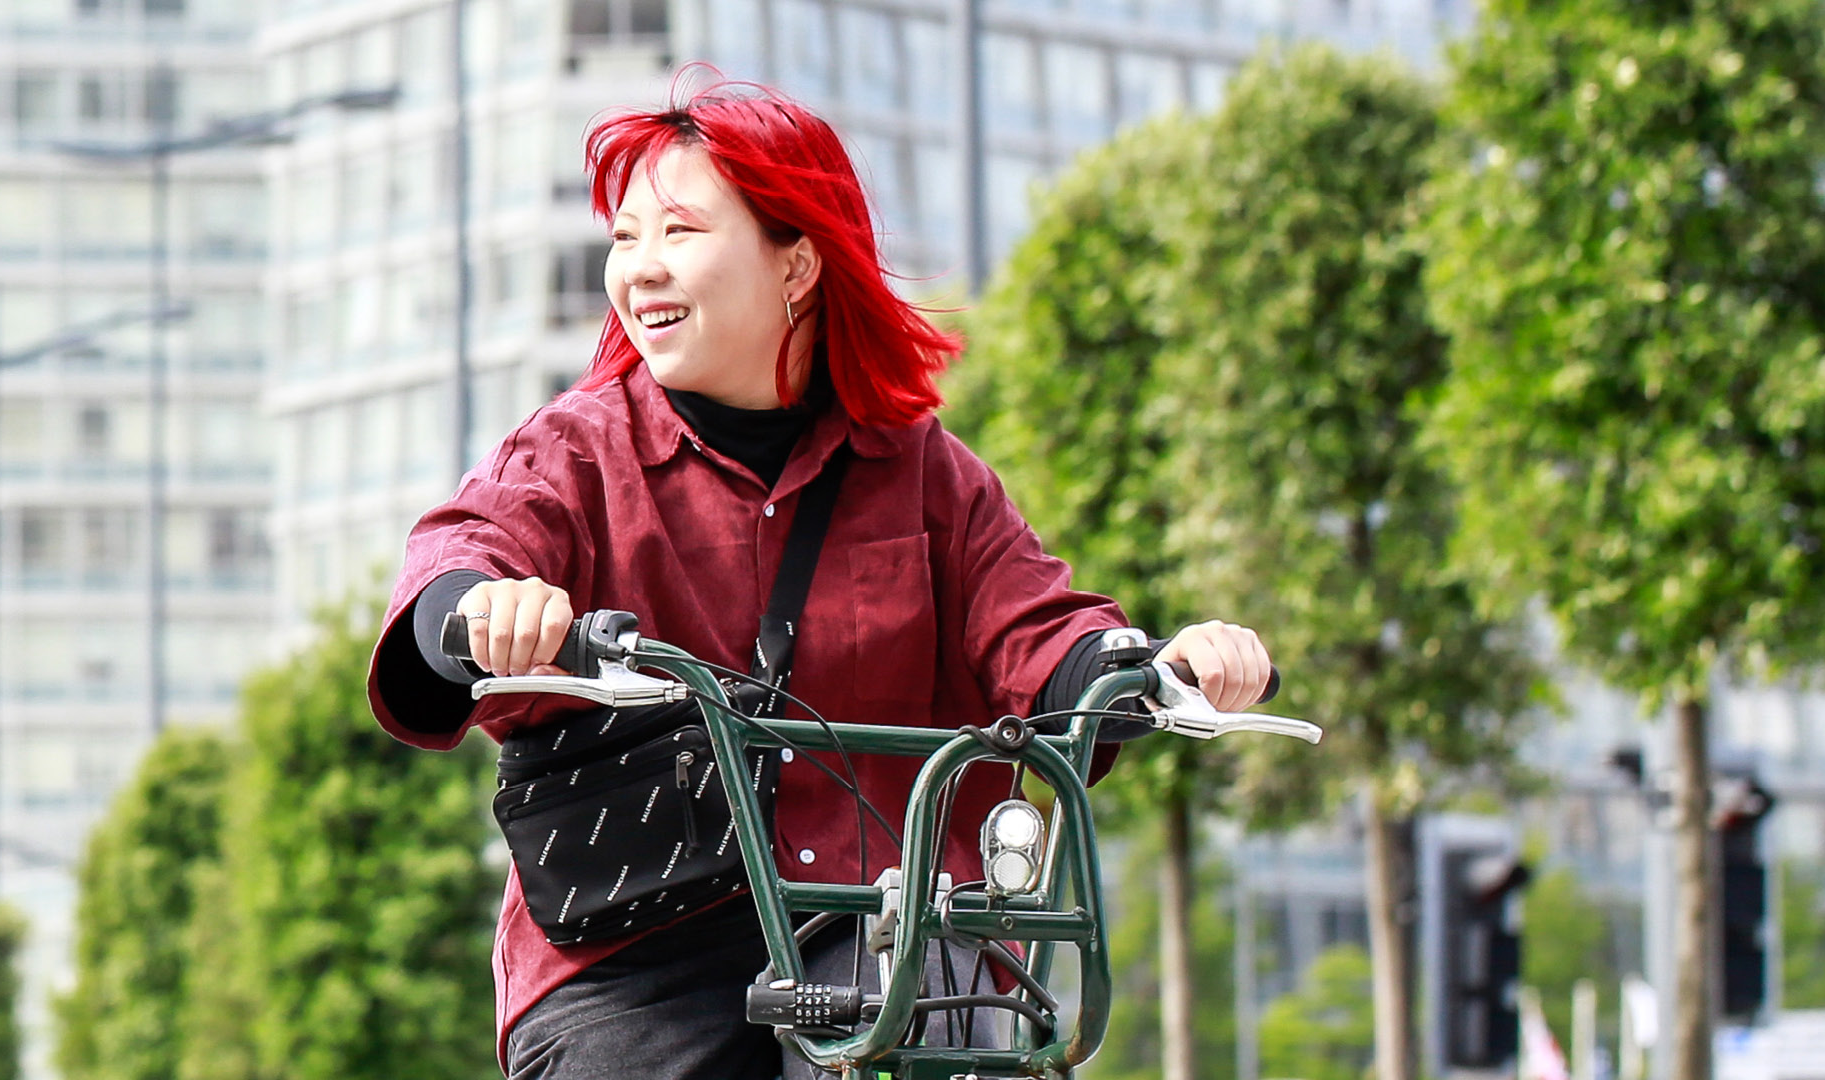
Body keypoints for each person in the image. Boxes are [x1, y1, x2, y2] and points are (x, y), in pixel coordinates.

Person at [364, 72, 1276, 1079]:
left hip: (885, 925)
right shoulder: (575, 454)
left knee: (948, 1025)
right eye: (626, 240)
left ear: (795, 262)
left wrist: (1157, 666)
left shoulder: (924, 472)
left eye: (679, 233)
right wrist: (484, 605)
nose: (641, 271)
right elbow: (466, 551)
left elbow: (1037, 629)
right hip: (635, 951)